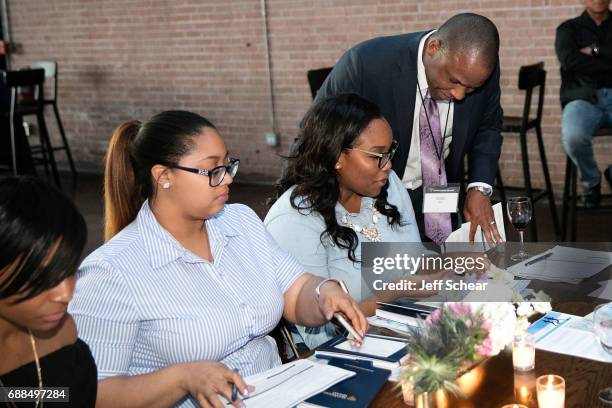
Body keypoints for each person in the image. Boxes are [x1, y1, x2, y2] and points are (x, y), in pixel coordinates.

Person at [68, 110, 367, 408]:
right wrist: (182, 379)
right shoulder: (111, 271)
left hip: (280, 394)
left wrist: (322, 293)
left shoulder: (240, 222)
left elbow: (295, 291)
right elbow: (95, 394)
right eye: (212, 171)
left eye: (227, 166)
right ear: (164, 177)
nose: (227, 180)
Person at [265, 94, 447, 349]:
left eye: (390, 151)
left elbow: (413, 261)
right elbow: (323, 335)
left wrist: (454, 263)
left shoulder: (388, 185)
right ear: (337, 156)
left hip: (407, 326)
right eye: (376, 156)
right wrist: (395, 291)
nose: (388, 165)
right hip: (346, 350)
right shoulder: (295, 219)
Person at [315, 13, 503, 244]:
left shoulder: (478, 70)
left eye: (471, 88)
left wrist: (479, 188)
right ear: (433, 48)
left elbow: (488, 127)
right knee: (392, 276)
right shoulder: (366, 64)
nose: (459, 95)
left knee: (443, 270)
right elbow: (316, 134)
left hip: (441, 195)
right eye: (454, 81)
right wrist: (291, 208)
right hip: (380, 198)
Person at [0, 176, 97, 406]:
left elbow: (49, 394)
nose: (66, 294)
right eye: (43, 277)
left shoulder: (62, 338)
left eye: (69, 271)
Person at [556, 0, 612, 208]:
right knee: (573, 135)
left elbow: (579, 62)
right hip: (582, 97)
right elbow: (569, 60)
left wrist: (595, 49)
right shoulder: (568, 29)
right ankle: (592, 181)